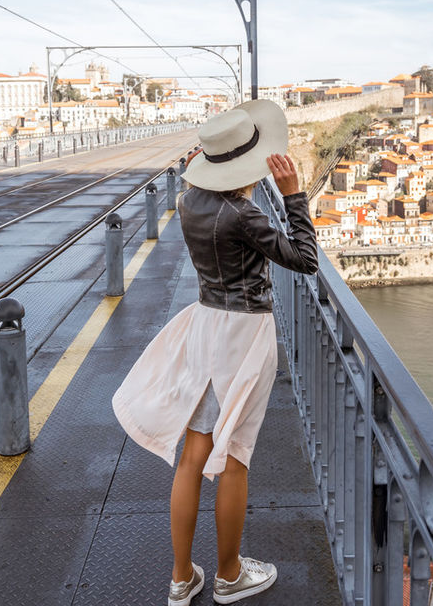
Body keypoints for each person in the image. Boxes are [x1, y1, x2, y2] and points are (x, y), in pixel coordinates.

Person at [111, 99, 318, 606]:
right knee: (235, 458)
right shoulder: (244, 215)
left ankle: (182, 578)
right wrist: (294, 197)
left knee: (195, 452)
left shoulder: (189, 202)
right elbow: (306, 260)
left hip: (204, 324)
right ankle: (229, 576)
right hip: (243, 336)